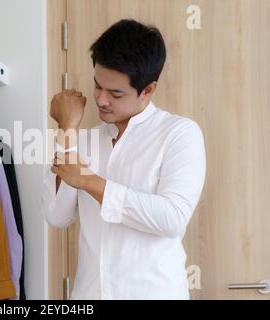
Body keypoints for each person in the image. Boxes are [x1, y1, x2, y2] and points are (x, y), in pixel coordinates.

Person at [42, 19, 206, 299]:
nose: (101, 100)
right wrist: (67, 127)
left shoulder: (179, 133)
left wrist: (90, 182)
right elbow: (57, 215)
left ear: (148, 90)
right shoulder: (84, 140)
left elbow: (172, 218)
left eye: (115, 93)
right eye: (97, 86)